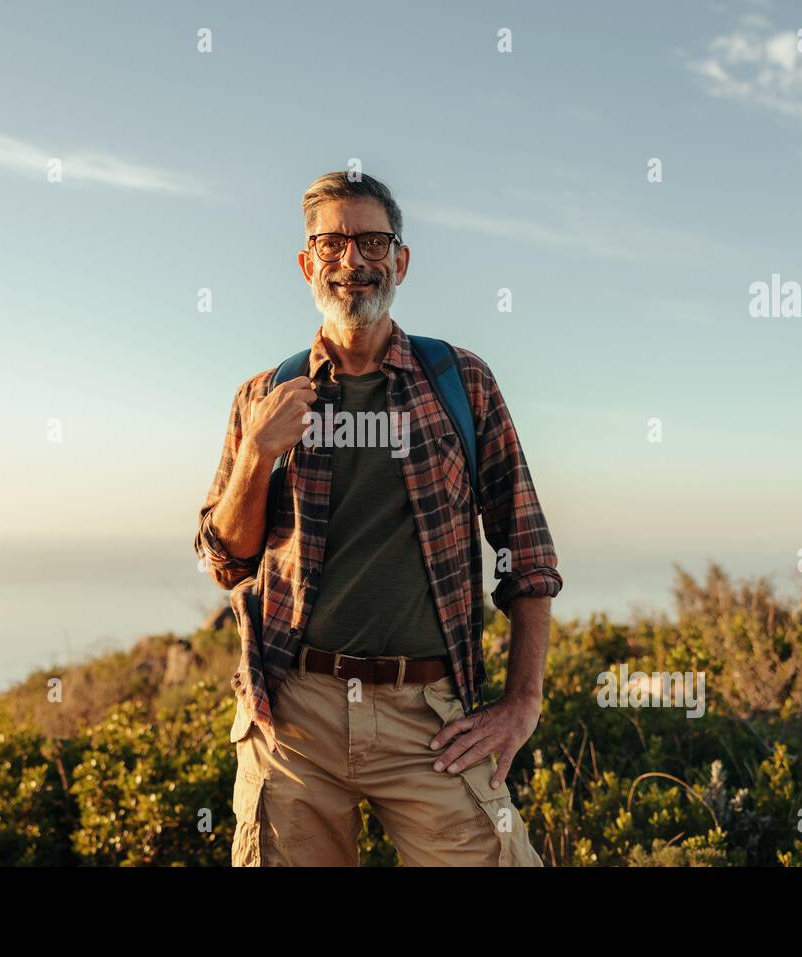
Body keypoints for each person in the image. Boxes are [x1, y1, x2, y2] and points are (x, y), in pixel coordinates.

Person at [195, 171, 562, 866]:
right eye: (331, 244)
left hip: (428, 719)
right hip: (295, 718)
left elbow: (528, 553)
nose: (352, 261)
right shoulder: (262, 397)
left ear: (400, 260)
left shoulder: (460, 381)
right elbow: (225, 560)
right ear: (307, 263)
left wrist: (522, 705)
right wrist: (255, 455)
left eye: (371, 241)